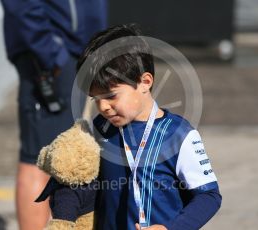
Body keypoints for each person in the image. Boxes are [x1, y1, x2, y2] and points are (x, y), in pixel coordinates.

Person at [76, 24, 222, 230]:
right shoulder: (99, 128)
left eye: (110, 96)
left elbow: (209, 196)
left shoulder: (179, 135)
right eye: (95, 99)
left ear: (144, 82)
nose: (103, 107)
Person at [0, 1, 106, 229]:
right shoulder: (54, 53)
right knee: (42, 161)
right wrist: (50, 52)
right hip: (54, 54)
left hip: (78, 50)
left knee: (69, 157)